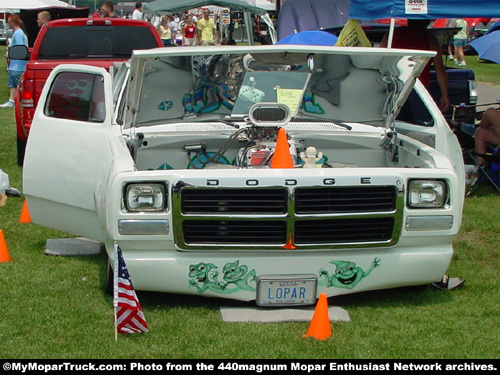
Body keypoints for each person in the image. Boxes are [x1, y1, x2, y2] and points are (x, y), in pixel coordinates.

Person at [380, 19, 449, 112]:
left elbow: (380, 59)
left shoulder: (391, 35)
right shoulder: (430, 39)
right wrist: (445, 94)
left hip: (395, 85)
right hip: (419, 87)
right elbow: (440, 69)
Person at [1, 15, 28, 108]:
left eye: (9, 21)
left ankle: (16, 100)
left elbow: (20, 48)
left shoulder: (18, 34)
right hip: (15, 65)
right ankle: (11, 100)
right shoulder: (17, 33)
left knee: (17, 84)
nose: (8, 23)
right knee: (12, 83)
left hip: (18, 65)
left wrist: (10, 54)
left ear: (13, 22)